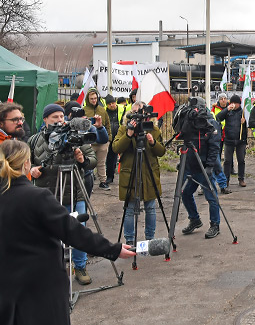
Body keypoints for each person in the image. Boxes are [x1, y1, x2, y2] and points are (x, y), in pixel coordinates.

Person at [0, 139, 134, 325]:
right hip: (42, 289)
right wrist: (113, 249)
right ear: (26, 164)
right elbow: (73, 232)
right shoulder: (36, 197)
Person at [29, 103, 97, 285]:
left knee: (78, 230)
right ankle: (52, 268)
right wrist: (32, 170)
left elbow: (93, 161)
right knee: (48, 233)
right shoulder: (35, 140)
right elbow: (25, 164)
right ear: (45, 119)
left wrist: (83, 159)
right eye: (55, 117)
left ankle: (80, 266)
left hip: (75, 193)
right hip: (47, 194)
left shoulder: (75, 136)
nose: (60, 120)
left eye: (61, 116)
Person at [112, 101, 165, 245]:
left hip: (149, 174)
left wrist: (153, 142)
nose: (138, 116)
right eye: (135, 112)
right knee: (129, 209)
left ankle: (150, 239)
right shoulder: (124, 129)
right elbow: (116, 148)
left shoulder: (153, 129)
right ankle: (129, 241)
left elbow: (161, 152)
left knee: (150, 208)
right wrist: (129, 134)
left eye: (141, 113)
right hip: (130, 174)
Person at [179, 98, 222, 239]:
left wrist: (210, 165)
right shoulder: (189, 122)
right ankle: (194, 219)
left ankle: (215, 224)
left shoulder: (211, 122)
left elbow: (215, 146)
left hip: (204, 166)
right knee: (185, 193)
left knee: (211, 197)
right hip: (191, 166)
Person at [83, 87, 112, 190]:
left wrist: (109, 138)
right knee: (88, 163)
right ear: (88, 99)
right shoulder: (84, 110)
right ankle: (87, 182)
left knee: (101, 163)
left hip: (102, 142)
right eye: (92, 99)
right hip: (89, 141)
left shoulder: (102, 110)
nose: (94, 100)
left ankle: (103, 181)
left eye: (95, 98)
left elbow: (108, 125)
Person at [215, 94, 247, 187]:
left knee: (241, 160)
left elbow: (250, 124)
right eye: (232, 103)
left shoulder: (243, 112)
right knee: (227, 161)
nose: (234, 105)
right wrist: (227, 109)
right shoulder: (228, 112)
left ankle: (241, 178)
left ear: (239, 104)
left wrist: (244, 122)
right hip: (229, 139)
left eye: (236, 103)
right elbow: (218, 117)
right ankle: (226, 179)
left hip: (240, 140)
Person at [104, 94, 125, 184]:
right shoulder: (104, 111)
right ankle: (108, 175)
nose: (112, 105)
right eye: (109, 104)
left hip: (119, 137)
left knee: (116, 157)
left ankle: (113, 175)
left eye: (113, 103)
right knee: (109, 157)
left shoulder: (122, 109)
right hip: (108, 137)